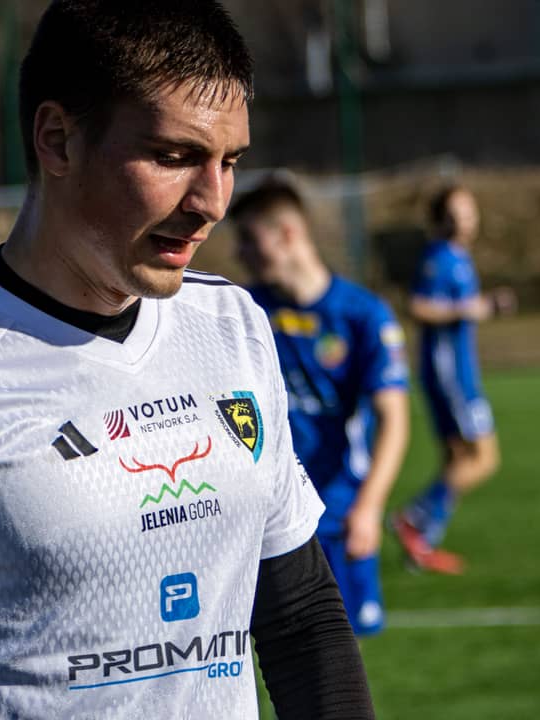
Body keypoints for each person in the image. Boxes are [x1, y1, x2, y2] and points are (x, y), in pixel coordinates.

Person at [0, 2, 374, 719]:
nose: (213, 201)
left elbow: (301, 617)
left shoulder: (232, 324)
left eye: (230, 161)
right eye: (174, 157)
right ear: (57, 141)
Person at [230, 175, 410, 636]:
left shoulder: (362, 315)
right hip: (263, 518)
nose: (239, 253)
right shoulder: (244, 313)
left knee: (342, 654)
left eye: (249, 239)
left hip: (338, 513)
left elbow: (393, 419)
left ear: (287, 234)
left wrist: (369, 507)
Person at [390, 185, 516, 574]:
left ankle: (421, 545)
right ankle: (414, 517)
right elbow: (418, 306)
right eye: (457, 212)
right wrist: (469, 309)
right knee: (484, 459)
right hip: (452, 376)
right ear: (441, 219)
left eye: (470, 211)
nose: (466, 219)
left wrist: (482, 306)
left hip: (456, 372)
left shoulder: (458, 257)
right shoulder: (440, 258)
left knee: (458, 458)